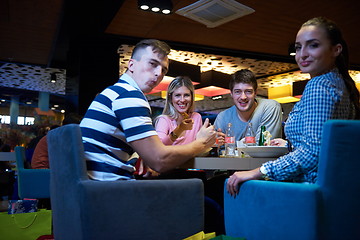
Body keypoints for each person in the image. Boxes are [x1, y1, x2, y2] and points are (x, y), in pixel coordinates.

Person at [226, 17, 360, 196]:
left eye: (313, 45)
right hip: (335, 188)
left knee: (232, 184)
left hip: (309, 189)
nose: (302, 54)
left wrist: (260, 171)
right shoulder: (339, 82)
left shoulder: (319, 86)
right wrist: (290, 144)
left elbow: (312, 153)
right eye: (298, 47)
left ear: (336, 50)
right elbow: (323, 144)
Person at [80, 39, 216, 181]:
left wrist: (144, 154)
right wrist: (201, 143)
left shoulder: (116, 92)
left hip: (93, 185)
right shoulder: (129, 96)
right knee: (203, 196)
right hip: (107, 188)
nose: (159, 73)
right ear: (131, 64)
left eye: (164, 69)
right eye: (153, 64)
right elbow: (159, 161)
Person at [214, 69, 282, 143]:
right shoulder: (222, 117)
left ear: (255, 93)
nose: (243, 97)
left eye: (248, 91)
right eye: (237, 92)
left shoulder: (270, 107)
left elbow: (264, 146)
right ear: (231, 94)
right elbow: (214, 149)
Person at [155, 76, 203, 146]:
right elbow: (159, 146)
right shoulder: (164, 120)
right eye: (177, 95)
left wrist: (212, 140)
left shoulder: (196, 117)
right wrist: (180, 129)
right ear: (171, 98)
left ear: (192, 97)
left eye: (186, 95)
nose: (182, 100)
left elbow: (200, 146)